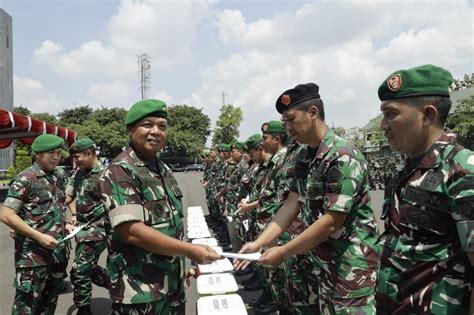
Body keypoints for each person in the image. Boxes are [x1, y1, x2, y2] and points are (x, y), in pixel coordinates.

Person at [236, 83, 380, 314]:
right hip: (321, 262)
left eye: (291, 120)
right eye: (284, 122)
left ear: (313, 113)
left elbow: (332, 221)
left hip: (351, 265)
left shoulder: (342, 156)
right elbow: (292, 204)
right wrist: (259, 242)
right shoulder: (304, 156)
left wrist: (283, 251)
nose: (288, 128)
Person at [99, 99, 220, 314]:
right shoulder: (121, 170)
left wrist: (181, 267)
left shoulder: (161, 169)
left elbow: (171, 225)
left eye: (162, 126)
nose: (156, 131)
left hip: (171, 284)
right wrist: (191, 251)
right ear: (130, 130)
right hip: (139, 291)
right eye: (147, 124)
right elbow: (132, 232)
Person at [375, 64, 474, 314]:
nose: (383, 125)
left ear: (427, 115)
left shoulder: (461, 169)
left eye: (391, 114)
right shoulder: (409, 167)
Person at [0, 134, 74, 314]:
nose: (56, 156)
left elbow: (63, 202)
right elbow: (7, 214)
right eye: (51, 153)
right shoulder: (26, 178)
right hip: (33, 256)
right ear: (37, 154)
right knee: (26, 306)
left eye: (58, 152)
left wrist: (71, 220)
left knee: (49, 303)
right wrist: (38, 236)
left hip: (58, 253)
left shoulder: (59, 175)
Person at [66, 137, 109, 315]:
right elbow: (68, 197)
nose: (76, 161)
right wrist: (74, 214)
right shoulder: (78, 173)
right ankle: (116, 282)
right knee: (86, 268)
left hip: (99, 229)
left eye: (78, 157)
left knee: (79, 270)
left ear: (89, 153)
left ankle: (84, 310)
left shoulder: (107, 173)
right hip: (82, 230)